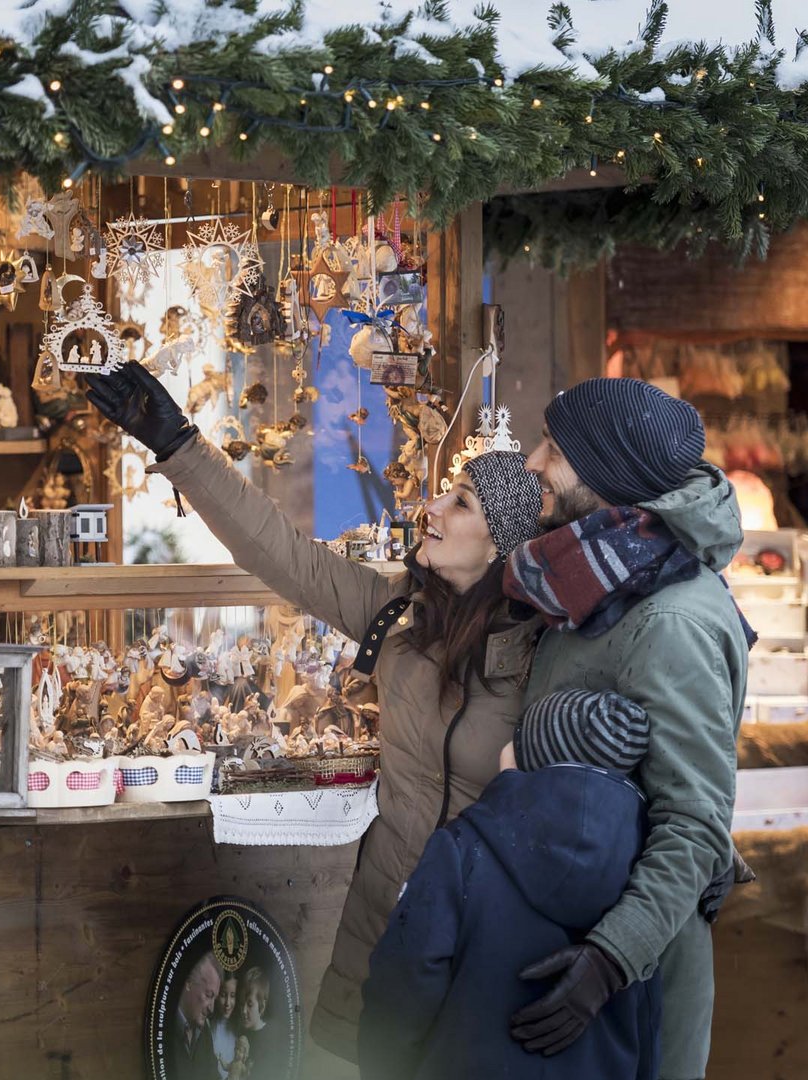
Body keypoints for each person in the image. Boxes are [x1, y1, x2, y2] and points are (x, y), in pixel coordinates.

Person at [85, 364, 545, 1061]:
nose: (432, 508)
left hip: (488, 928)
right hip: (386, 914)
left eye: (461, 505)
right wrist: (178, 444)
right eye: (445, 493)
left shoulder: (545, 647)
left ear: (501, 542)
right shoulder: (398, 611)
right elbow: (280, 551)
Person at [497, 378, 753, 1080]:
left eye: (553, 448)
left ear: (606, 473)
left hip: (634, 978)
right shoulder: (593, 579)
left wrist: (609, 961)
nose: (533, 464)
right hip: (568, 936)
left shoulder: (670, 619)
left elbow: (695, 822)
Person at [360, 689, 661, 1080]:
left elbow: (405, 980)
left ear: (528, 758)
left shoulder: (461, 850)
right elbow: (649, 1014)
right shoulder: (645, 876)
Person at [170, 952, 223, 1080]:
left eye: (214, 998)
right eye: (209, 995)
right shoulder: (163, 1029)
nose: (212, 1008)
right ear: (188, 983)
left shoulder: (205, 1033)